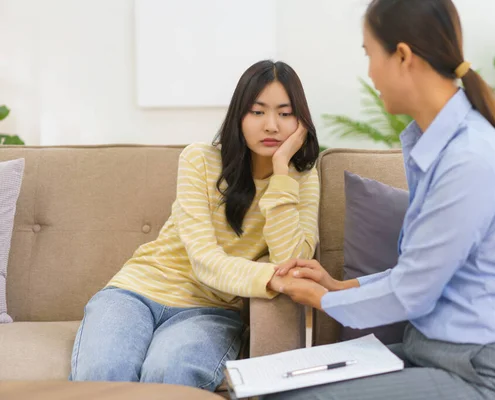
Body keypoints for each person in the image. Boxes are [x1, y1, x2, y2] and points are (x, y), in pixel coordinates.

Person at [268, 0, 495, 398]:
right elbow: (421, 270)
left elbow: (413, 290)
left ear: (402, 56)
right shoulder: (437, 146)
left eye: (370, 55)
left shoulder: (469, 157)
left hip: (492, 377)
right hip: (439, 356)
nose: (370, 73)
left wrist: (320, 298)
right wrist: (339, 287)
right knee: (283, 386)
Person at [69, 60, 321, 392]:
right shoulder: (200, 159)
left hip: (210, 310)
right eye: (257, 112)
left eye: (285, 113)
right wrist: (273, 278)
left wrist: (280, 172)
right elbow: (204, 259)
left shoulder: (301, 179)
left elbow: (291, 258)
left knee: (171, 376)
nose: (271, 125)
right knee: (106, 372)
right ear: (239, 117)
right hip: (135, 292)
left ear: (300, 121)